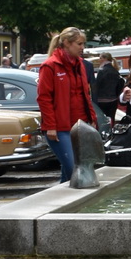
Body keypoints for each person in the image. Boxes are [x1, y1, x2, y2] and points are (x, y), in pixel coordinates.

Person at [37, 27, 99, 183]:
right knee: (75, 171)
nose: (82, 48)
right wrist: (50, 126)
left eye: (83, 44)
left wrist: (92, 118)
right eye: (79, 44)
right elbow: (44, 98)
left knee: (70, 173)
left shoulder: (80, 65)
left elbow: (85, 94)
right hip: (60, 128)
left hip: (80, 125)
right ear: (66, 43)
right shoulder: (50, 66)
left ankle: (64, 206)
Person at [91, 53, 124, 126]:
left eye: (100, 58)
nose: (99, 60)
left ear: (104, 59)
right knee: (111, 120)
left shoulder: (101, 70)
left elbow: (97, 85)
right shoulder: (115, 70)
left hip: (102, 100)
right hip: (113, 100)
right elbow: (120, 84)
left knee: (102, 121)